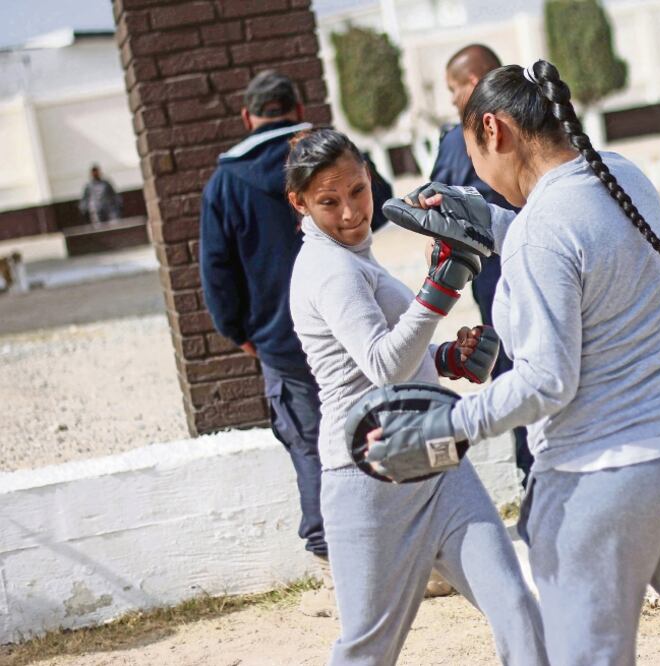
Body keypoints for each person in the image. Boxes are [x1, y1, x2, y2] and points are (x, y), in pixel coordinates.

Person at [362, 61, 660, 665]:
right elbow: (583, 241)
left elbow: (547, 381)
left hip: (600, 484)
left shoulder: (538, 233)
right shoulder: (624, 178)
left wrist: (443, 426)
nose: (480, 175)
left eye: (474, 156)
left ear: (494, 130)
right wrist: (492, 220)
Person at [285, 127, 547, 665]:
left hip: (433, 461)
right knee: (368, 649)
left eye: (357, 191)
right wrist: (441, 291)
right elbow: (382, 366)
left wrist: (447, 359)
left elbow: (389, 360)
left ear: (369, 177)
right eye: (329, 202)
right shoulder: (329, 269)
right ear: (300, 203)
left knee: (515, 604)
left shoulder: (352, 255)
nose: (352, 212)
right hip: (368, 477)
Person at [199, 71, 391, 616]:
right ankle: (403, 556)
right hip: (354, 328)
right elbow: (379, 203)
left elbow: (216, 266)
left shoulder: (225, 183)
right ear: (299, 105)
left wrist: (238, 332)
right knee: (378, 428)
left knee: (315, 445)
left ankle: (335, 563)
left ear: (247, 117)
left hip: (280, 339)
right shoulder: (333, 156)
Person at [430, 43, 534, 485]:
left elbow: (439, 204)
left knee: (515, 367)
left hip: (496, 275)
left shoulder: (461, 138)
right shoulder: (542, 122)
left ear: (473, 85)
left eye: (454, 90)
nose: (453, 101)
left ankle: (532, 471)